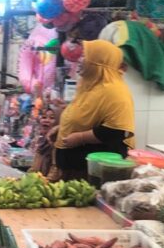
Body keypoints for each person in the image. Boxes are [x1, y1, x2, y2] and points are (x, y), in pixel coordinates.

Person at [48, 39, 136, 181]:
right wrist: (62, 128)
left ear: (98, 62)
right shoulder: (89, 84)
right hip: (72, 168)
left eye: (85, 56)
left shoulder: (115, 91)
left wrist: (80, 138)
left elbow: (116, 132)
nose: (79, 59)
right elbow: (84, 116)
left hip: (91, 174)